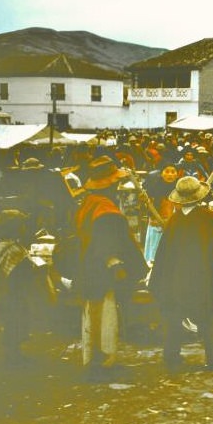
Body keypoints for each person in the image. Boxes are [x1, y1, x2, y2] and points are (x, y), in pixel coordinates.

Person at [75, 156, 148, 380]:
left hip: (88, 267)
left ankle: (94, 359)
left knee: (91, 314)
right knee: (104, 316)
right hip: (103, 272)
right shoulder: (107, 212)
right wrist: (129, 268)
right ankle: (102, 362)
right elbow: (113, 246)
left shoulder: (90, 203)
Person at [148, 175, 213, 372]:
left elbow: (164, 253)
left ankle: (171, 356)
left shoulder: (174, 221)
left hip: (177, 279)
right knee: (209, 318)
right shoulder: (209, 217)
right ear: (199, 197)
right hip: (203, 278)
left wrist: (161, 280)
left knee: (174, 318)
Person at [0, 209, 52, 366]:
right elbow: (21, 273)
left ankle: (13, 354)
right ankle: (13, 357)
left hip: (7, 293)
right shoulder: (15, 250)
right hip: (14, 294)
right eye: (22, 225)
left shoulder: (4, 245)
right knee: (16, 323)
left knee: (12, 324)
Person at [142, 162, 179, 264]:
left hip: (172, 226)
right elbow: (149, 208)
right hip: (157, 226)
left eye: (173, 172)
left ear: (177, 174)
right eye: (167, 171)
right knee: (155, 256)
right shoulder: (154, 188)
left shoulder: (178, 189)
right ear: (161, 174)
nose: (170, 174)